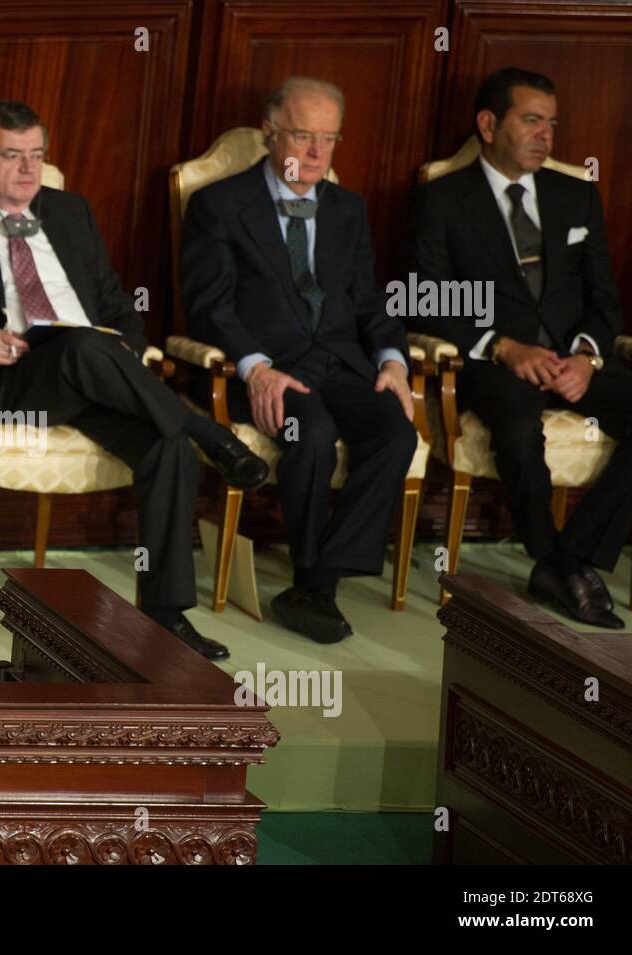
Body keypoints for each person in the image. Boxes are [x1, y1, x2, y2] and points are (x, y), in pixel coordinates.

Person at [0, 101, 269, 661]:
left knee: (167, 447)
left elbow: (119, 307)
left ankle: (167, 617)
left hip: (96, 374)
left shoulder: (70, 213)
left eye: (38, 156)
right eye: (12, 156)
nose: (28, 170)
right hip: (9, 385)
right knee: (80, 345)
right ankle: (211, 432)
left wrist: (128, 348)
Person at [180, 77, 418, 644]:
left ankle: (318, 579)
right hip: (272, 370)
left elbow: (368, 301)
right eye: (303, 136)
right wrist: (256, 368)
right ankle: (316, 586)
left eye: (329, 139)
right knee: (309, 433)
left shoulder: (348, 209)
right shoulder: (218, 205)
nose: (317, 153)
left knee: (395, 433)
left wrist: (392, 360)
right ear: (270, 132)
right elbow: (209, 306)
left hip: (341, 363)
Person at [410, 67, 632, 629]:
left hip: (573, 360)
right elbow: (424, 298)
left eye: (552, 124)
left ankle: (570, 559)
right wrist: (505, 347)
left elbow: (604, 297)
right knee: (517, 428)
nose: (546, 136)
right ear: (489, 124)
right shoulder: (442, 198)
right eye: (531, 121)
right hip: (495, 362)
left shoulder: (576, 195)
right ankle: (552, 556)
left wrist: (587, 357)